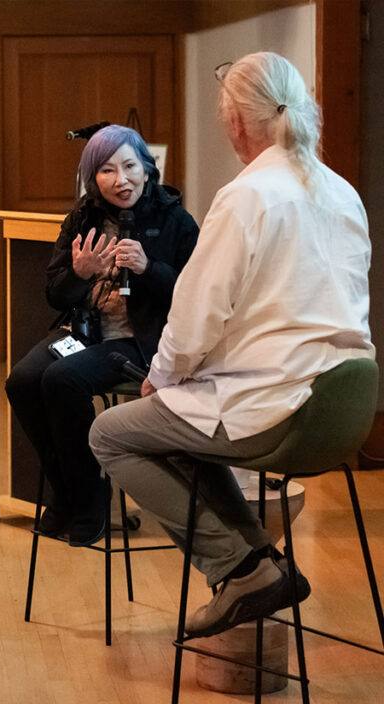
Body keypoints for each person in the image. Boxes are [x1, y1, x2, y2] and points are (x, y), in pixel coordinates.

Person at [89, 52, 373, 637]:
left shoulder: (247, 196)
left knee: (111, 433)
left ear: (238, 124)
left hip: (277, 408)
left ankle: (238, 567)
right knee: (181, 424)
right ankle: (258, 565)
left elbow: (195, 317)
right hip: (344, 410)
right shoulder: (343, 192)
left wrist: (161, 377)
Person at [4, 125, 199, 545]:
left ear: (148, 169)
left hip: (143, 341)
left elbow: (198, 294)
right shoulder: (81, 217)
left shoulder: (175, 220)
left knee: (62, 380)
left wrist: (150, 269)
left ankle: (91, 498)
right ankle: (64, 492)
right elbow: (54, 294)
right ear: (93, 178)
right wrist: (80, 273)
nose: (120, 179)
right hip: (86, 333)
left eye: (130, 166)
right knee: (21, 380)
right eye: (107, 170)